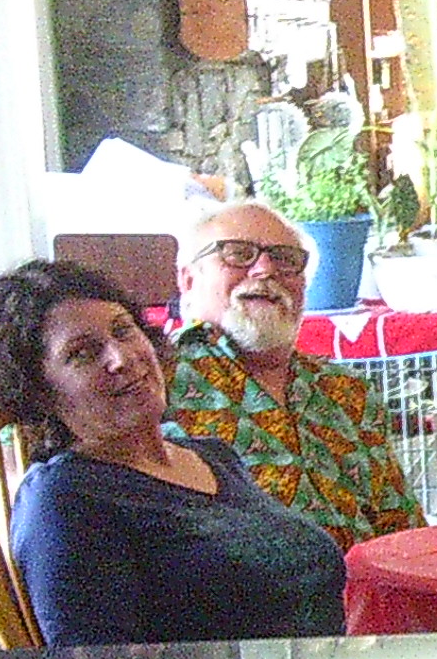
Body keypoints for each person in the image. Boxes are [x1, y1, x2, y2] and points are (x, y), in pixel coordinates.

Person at [0, 258, 347, 646]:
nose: (122, 358)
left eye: (123, 331)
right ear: (37, 391)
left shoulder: (214, 457)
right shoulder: (65, 497)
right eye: (83, 353)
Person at [165, 200, 422, 549]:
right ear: (189, 279)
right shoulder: (160, 382)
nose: (265, 270)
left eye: (285, 259)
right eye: (238, 254)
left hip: (371, 592)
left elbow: (404, 532)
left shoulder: (347, 391)